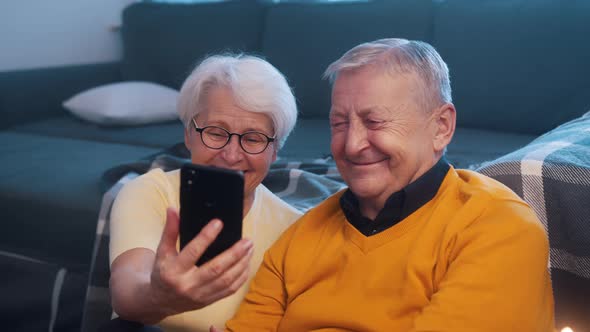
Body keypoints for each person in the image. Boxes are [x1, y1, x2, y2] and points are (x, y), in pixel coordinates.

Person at [224, 39, 555, 331]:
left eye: (374, 122)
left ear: (441, 127)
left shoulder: (499, 228)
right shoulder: (301, 234)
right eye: (339, 123)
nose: (351, 145)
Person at [108, 54, 302, 332]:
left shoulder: (294, 229)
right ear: (189, 134)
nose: (231, 155)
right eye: (216, 133)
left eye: (253, 138)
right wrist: (160, 297)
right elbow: (126, 292)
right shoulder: (149, 192)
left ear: (275, 152)